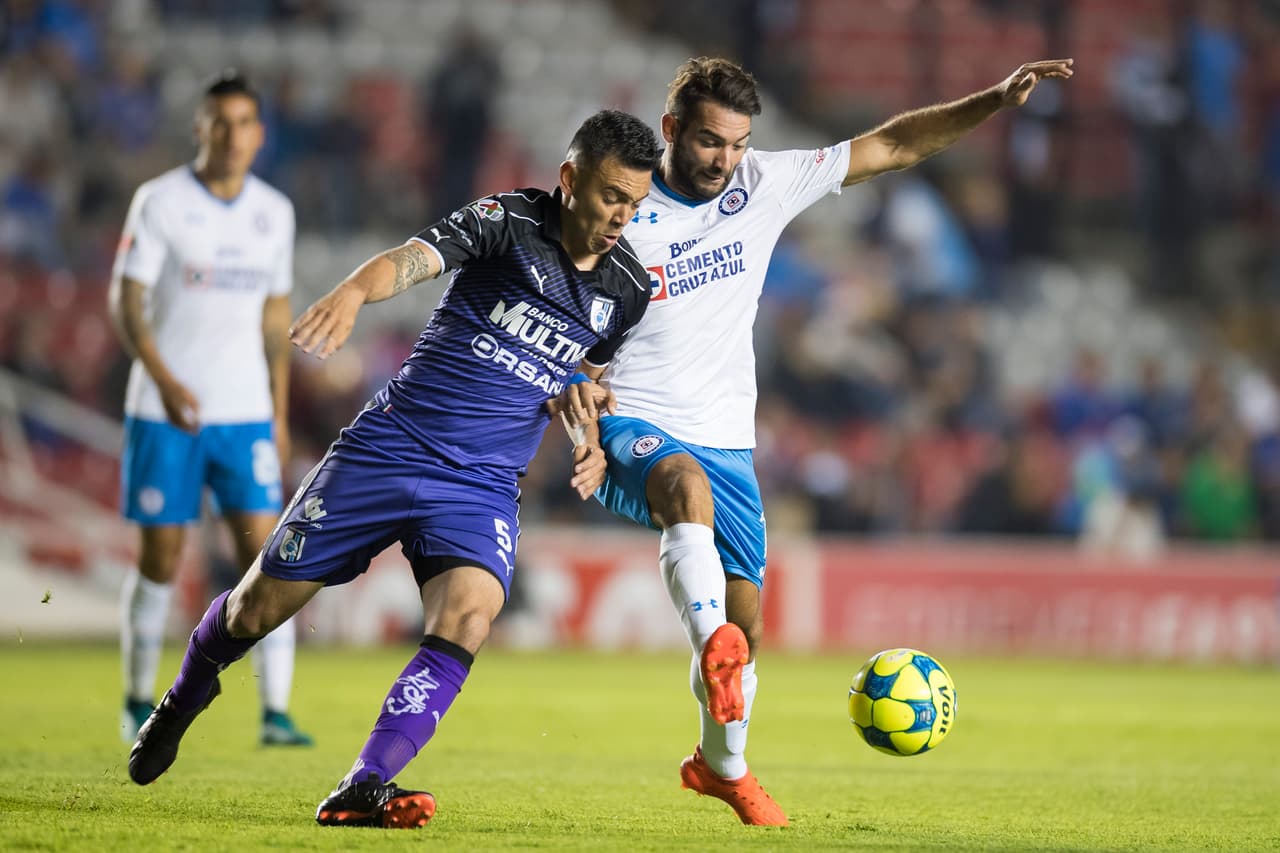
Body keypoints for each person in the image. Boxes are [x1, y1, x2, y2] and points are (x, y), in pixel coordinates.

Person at [555, 56, 1074, 826]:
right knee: (682, 492)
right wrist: (581, 425)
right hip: (636, 421)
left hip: (728, 438)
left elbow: (892, 146)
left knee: (749, 625)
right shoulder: (619, 210)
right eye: (706, 142)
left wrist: (994, 101)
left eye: (735, 143)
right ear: (670, 131)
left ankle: (719, 764)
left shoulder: (762, 182)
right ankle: (713, 650)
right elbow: (561, 339)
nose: (723, 159)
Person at [127, 109, 660, 831]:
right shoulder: (507, 221)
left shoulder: (627, 290)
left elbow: (579, 383)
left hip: (479, 485)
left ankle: (364, 780)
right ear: (569, 179)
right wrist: (352, 291)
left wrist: (587, 428)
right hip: (390, 446)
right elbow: (411, 258)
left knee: (471, 612)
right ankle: (185, 694)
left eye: (634, 202)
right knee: (255, 609)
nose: (621, 217)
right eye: (609, 197)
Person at [108, 69, 312, 748]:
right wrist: (162, 377)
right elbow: (125, 300)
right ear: (200, 127)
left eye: (245, 123)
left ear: (259, 133)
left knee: (272, 555)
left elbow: (274, 313)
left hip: (245, 412)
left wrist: (279, 413)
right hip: (164, 409)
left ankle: (276, 711)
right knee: (162, 557)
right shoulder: (160, 201)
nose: (232, 135)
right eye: (219, 122)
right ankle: (138, 697)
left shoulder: (273, 212)